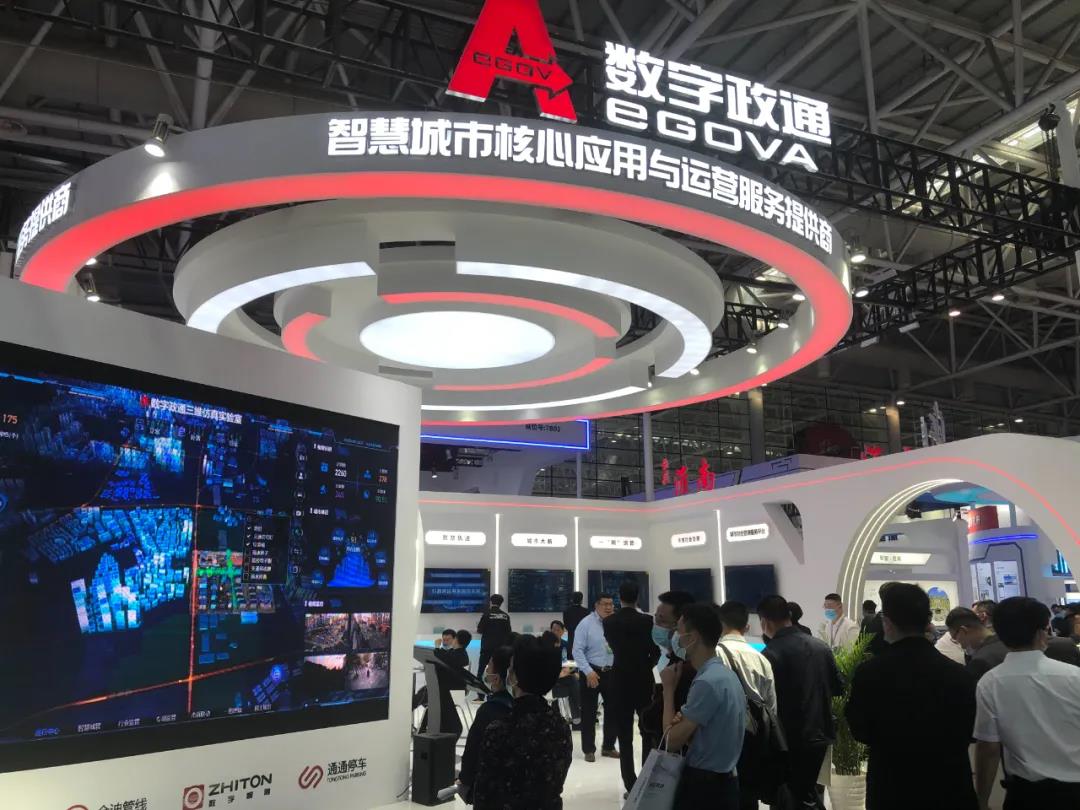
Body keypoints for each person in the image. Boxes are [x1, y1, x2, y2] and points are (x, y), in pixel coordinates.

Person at [845, 584, 978, 810]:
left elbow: (860, 730)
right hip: (949, 786)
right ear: (928, 621)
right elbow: (970, 731)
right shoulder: (958, 673)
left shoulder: (870, 673)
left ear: (887, 622)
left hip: (892, 786)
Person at [974, 597, 1080, 810]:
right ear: (1042, 632)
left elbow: (989, 748)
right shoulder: (1074, 676)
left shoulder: (990, 682)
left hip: (1026, 795)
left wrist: (982, 800)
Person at [759, 595, 842, 810]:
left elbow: (766, 701)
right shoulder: (821, 647)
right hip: (821, 734)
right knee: (806, 792)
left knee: (790, 797)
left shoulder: (770, 653)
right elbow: (837, 688)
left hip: (788, 738)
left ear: (765, 622)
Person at [472, 635, 573, 810]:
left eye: (511, 668)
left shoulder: (500, 730)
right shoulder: (561, 727)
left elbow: (484, 794)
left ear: (514, 677)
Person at [662, 602, 745, 810]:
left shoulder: (707, 682)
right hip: (725, 781)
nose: (676, 637)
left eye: (678, 631)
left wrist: (668, 690)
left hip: (704, 787)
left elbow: (670, 741)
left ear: (692, 637)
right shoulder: (725, 675)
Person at [716, 600, 778, 810]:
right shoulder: (761, 658)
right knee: (749, 796)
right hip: (754, 738)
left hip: (723, 739)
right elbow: (771, 706)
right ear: (747, 626)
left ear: (720, 623)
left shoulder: (716, 654)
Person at [604, 580, 660, 794]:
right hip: (643, 680)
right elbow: (655, 651)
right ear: (638, 598)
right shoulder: (647, 621)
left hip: (619, 680)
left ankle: (630, 783)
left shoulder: (609, 622)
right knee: (647, 731)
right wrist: (646, 665)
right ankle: (646, 781)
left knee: (624, 736)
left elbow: (614, 647)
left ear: (619, 597)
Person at [948, 606, 1080, 681]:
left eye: (955, 637)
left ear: (963, 631)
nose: (959, 643)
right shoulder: (1063, 648)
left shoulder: (981, 663)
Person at [639, 590, 697, 762]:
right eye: (655, 618)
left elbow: (653, 719)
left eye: (662, 620)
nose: (656, 625)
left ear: (680, 627)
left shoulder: (684, 669)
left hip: (679, 758)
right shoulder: (668, 659)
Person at [457, 645, 514, 804]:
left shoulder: (489, 711)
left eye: (489, 666)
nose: (486, 670)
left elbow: (473, 751)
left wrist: (465, 781)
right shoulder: (529, 710)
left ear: (496, 678)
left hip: (490, 793)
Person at [572, 592, 618, 762]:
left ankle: (608, 747)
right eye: (605, 604)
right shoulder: (586, 624)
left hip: (612, 672)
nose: (609, 607)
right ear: (596, 605)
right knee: (589, 712)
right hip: (591, 672)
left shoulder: (616, 622)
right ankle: (589, 749)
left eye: (611, 604)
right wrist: (588, 671)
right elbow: (577, 650)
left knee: (613, 710)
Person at [545, 628, 582, 725]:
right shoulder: (546, 655)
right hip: (549, 687)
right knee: (573, 684)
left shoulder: (556, 651)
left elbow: (567, 663)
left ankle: (577, 713)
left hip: (559, 682)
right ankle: (578, 712)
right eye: (557, 643)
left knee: (574, 680)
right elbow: (555, 674)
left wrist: (571, 670)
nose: (558, 646)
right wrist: (568, 672)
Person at [476, 594, 512, 689]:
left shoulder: (486, 614)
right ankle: (502, 691)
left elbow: (480, 630)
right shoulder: (505, 616)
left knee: (481, 669)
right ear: (501, 603)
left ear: (491, 602)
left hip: (487, 647)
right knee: (502, 670)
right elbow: (509, 632)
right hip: (501, 649)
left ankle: (480, 692)